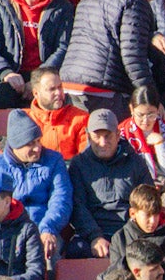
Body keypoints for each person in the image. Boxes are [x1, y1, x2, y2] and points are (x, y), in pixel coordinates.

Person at [59, 0, 164, 118]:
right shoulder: (136, 0)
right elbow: (133, 56)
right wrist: (150, 98)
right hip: (104, 90)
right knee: (111, 142)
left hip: (69, 83)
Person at [66, 109, 154, 259]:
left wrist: (132, 233)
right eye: (97, 137)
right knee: (76, 251)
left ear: (118, 135)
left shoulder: (135, 162)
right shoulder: (78, 165)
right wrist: (94, 236)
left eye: (108, 136)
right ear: (88, 136)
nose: (102, 143)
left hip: (131, 230)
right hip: (93, 232)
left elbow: (147, 200)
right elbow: (77, 206)